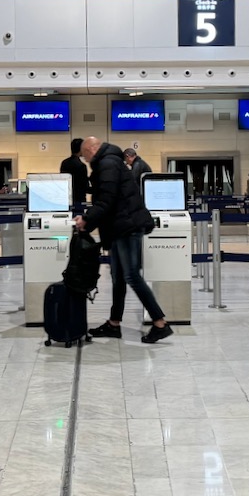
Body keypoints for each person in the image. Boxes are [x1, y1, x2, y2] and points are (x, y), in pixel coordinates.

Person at [79, 136, 172, 343]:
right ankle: (114, 324)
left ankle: (160, 323)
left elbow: (106, 200)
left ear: (92, 149)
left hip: (127, 226)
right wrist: (90, 221)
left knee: (131, 275)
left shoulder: (107, 164)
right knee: (118, 277)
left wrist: (86, 219)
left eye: (84, 154)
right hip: (121, 226)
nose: (84, 159)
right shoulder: (110, 161)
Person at [59, 137, 90, 204]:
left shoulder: (64, 163)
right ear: (81, 149)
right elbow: (84, 186)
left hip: (66, 198)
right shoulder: (81, 166)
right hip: (79, 199)